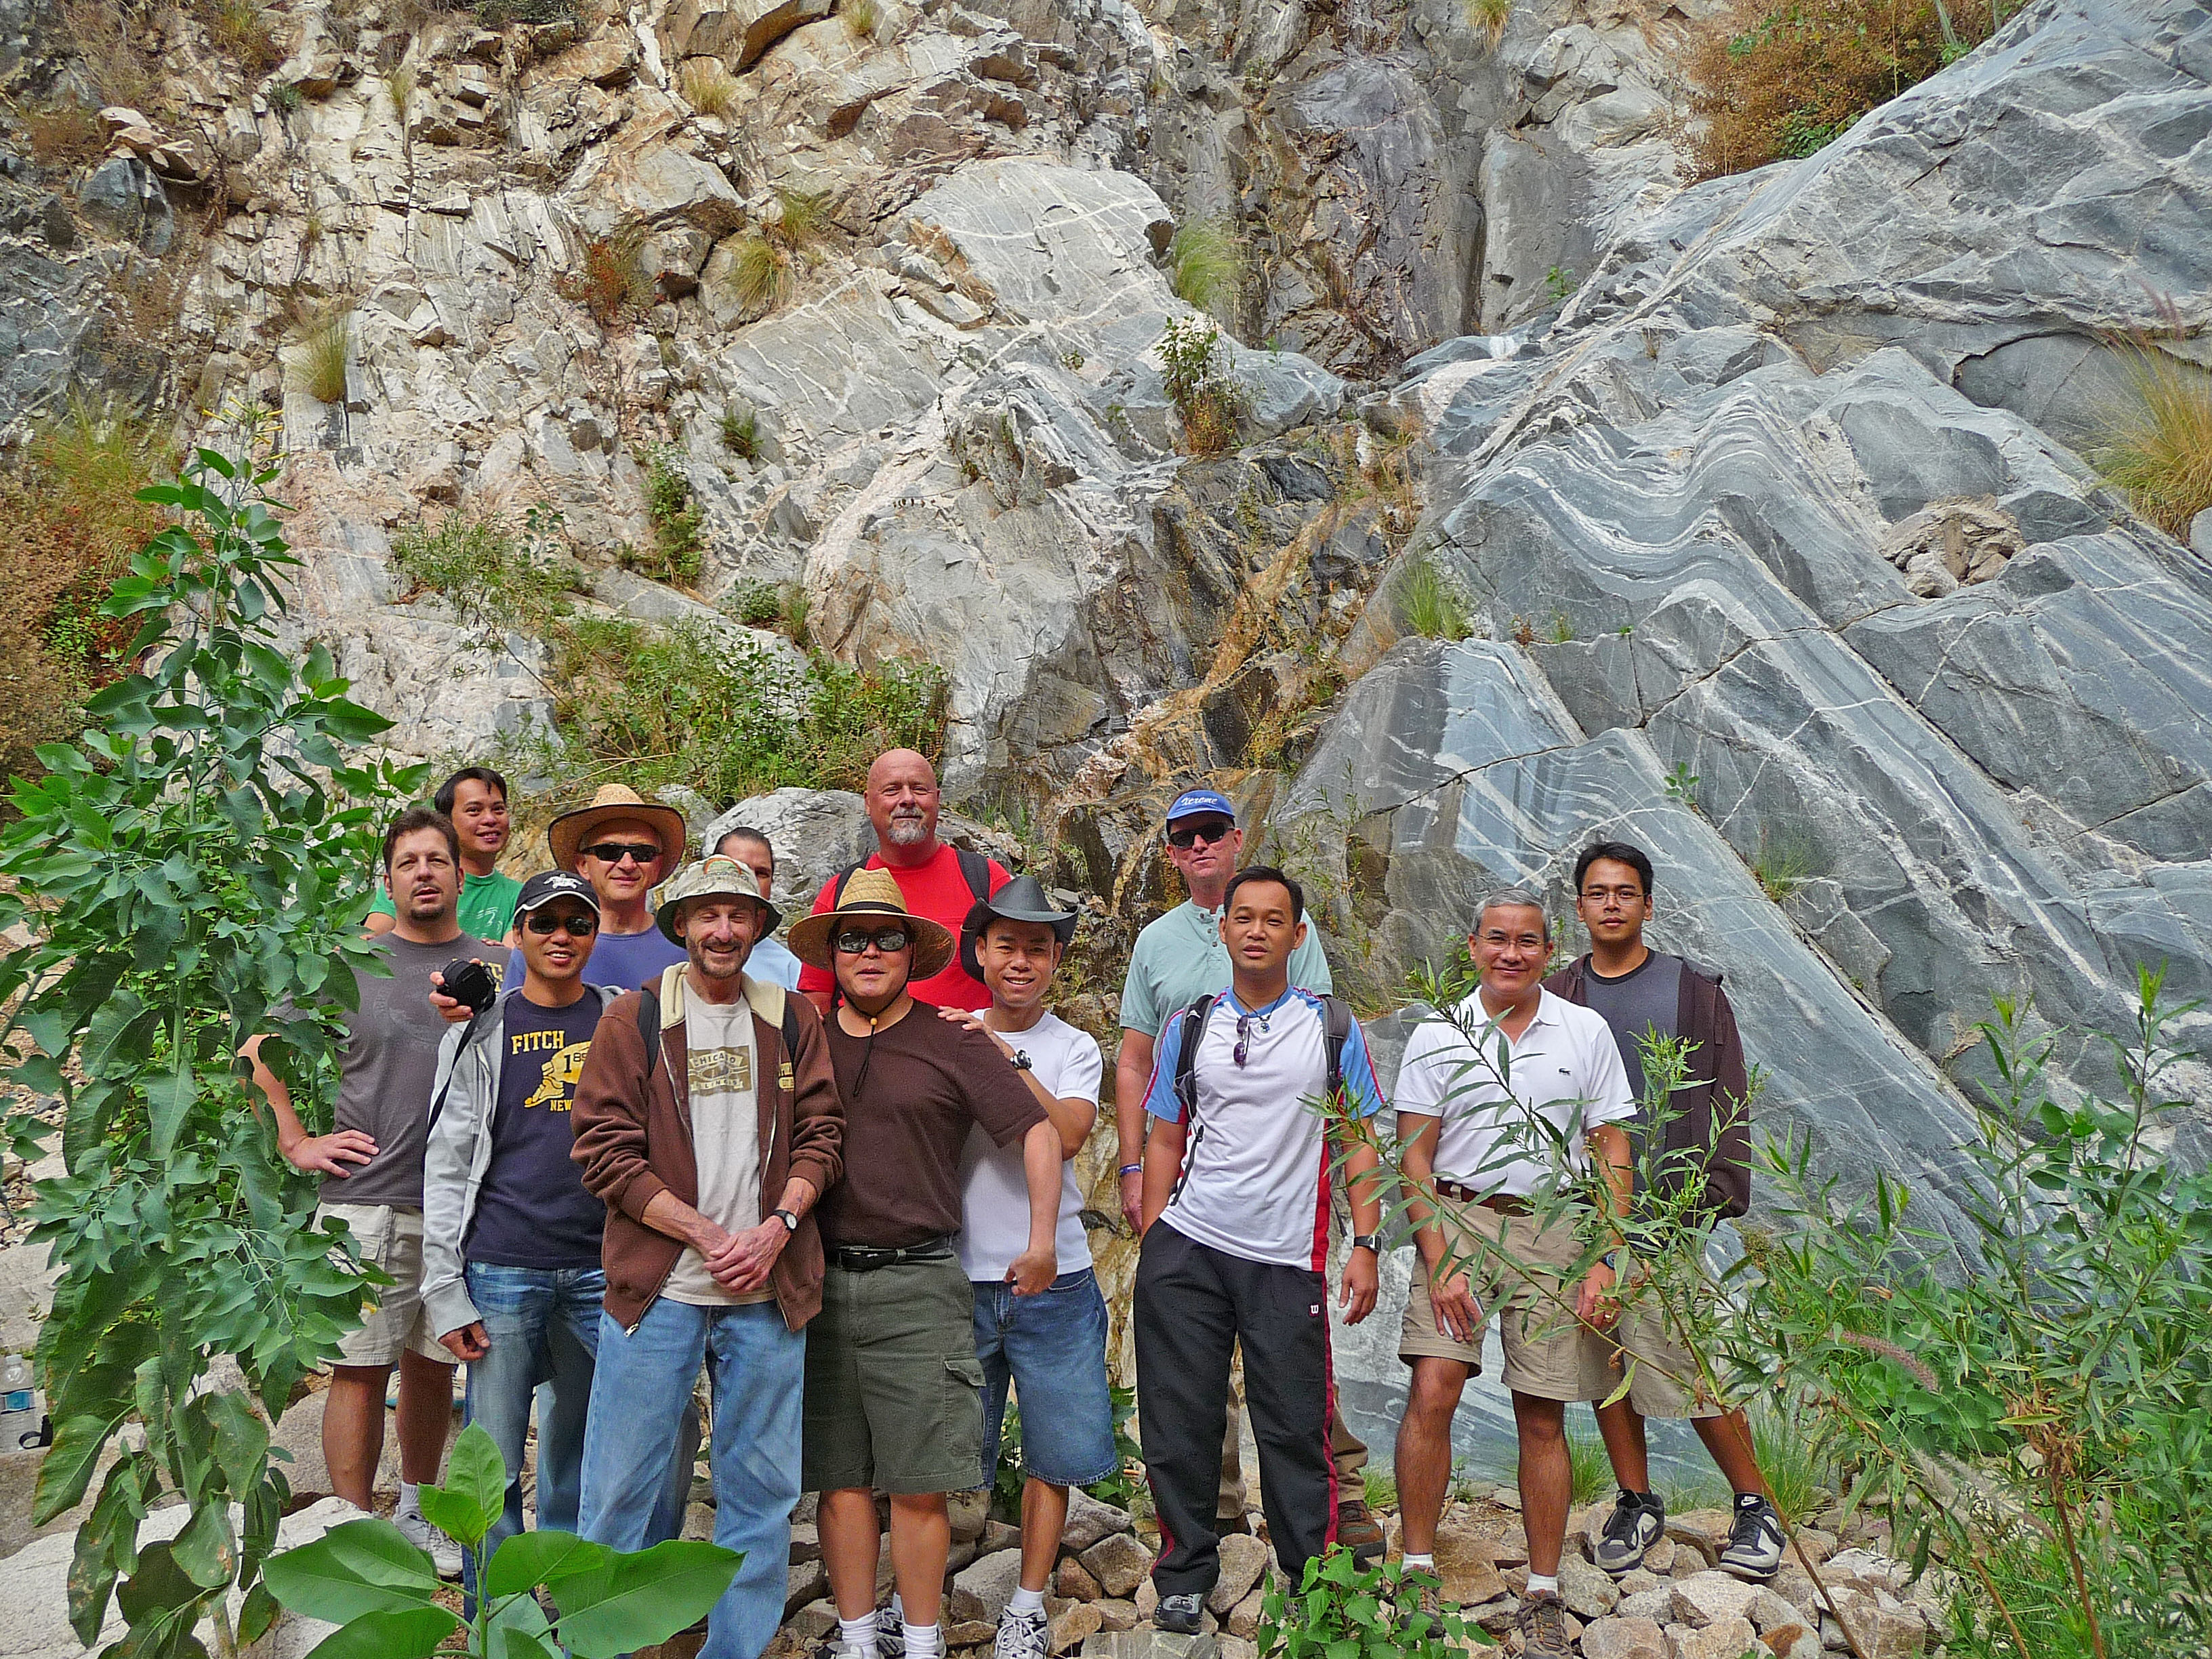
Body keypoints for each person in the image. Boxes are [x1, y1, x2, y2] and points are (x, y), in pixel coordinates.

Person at [571, 856, 846, 1659]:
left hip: (768, 1289)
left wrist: (776, 1229)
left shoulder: (791, 1015)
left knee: (761, 1491)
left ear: (758, 924)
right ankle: (600, 1643)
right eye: (707, 915)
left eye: (739, 915)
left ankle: (737, 1646)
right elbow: (603, 1150)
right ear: (681, 925)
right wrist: (705, 1233)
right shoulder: (638, 1017)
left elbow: (824, 1135)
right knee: (619, 1486)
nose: (723, 931)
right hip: (659, 1289)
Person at [789, 869, 1063, 1659]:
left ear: (912, 950)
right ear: (833, 954)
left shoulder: (953, 1038)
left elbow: (1037, 1130)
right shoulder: (803, 1035)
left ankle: (919, 1641)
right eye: (852, 939)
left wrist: (1041, 1239)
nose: (869, 951)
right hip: (818, 1279)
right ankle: (854, 1636)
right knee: (839, 1477)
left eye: (886, 937)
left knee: (917, 1479)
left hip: (919, 1279)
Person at [1111, 790, 1378, 1561]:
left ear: (1296, 934)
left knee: (1293, 1419)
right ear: (1220, 929)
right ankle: (1188, 1567)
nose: (1255, 930)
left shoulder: (1328, 1026)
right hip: (1191, 1238)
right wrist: (1157, 1226)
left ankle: (1310, 1577)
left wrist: (1368, 1240)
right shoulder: (1184, 1012)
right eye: (1242, 919)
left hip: (1287, 1249)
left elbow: (1354, 1129)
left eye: (1272, 920)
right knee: (1180, 1413)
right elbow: (1162, 1122)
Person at [242, 807, 493, 1577]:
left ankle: (417, 1511)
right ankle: (352, 1529)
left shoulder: (492, 965)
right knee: (357, 1367)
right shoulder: (355, 964)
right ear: (387, 880)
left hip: (464, 1208)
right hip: (367, 1202)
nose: (424, 872)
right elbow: (257, 1049)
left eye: (436, 859)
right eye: (408, 861)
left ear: (459, 872)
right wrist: (295, 1139)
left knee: (432, 1365)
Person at [1391, 889, 1635, 1659]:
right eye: (1497, 939)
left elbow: (1610, 1148)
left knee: (1543, 1408)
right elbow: (1414, 1156)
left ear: (1547, 950)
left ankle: (1542, 1590)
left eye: (1527, 942)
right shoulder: (1441, 1032)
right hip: (1459, 1219)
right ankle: (1417, 1571)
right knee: (1435, 1384)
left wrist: (1608, 1254)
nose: (1511, 954)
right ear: (1472, 946)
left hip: (1556, 1226)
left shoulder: (1584, 1029)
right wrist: (1439, 1258)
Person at [1547, 840, 1778, 1579]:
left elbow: (1728, 1100)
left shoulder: (1694, 991)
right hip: (1583, 1212)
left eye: (1624, 892)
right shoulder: (1557, 995)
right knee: (1604, 1351)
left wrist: (1705, 1200)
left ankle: (1754, 1505)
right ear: (1578, 906)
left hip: (1667, 1212)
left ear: (1649, 904)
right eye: (1596, 892)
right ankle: (1637, 1499)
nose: (1610, 904)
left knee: (1688, 1354)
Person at [420, 871, 619, 1608]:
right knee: (493, 1457)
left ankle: (571, 1609)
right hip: (503, 1264)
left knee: (578, 1448)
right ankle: (495, 1617)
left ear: (596, 935)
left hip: (602, 1267)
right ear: (520, 934)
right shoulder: (480, 1029)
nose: (561, 937)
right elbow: (445, 1160)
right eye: (545, 923)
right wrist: (444, 1291)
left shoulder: (624, 1017)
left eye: (577, 923)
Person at [941, 878, 1113, 1659]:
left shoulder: (1074, 1046)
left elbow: (1069, 1134)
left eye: (1037, 948)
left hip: (1058, 1279)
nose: (1020, 961)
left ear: (1055, 962)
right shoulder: (945, 1030)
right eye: (1006, 944)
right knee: (938, 1451)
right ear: (979, 952)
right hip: (958, 1276)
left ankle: (1028, 1602)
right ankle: (920, 1593)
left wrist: (1003, 1055)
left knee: (1055, 1451)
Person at [795, 749, 1009, 1014]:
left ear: (938, 799)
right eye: (892, 790)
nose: (907, 799)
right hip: (866, 1050)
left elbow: (1019, 982)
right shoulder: (841, 892)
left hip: (965, 1049)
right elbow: (816, 1003)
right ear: (868, 803)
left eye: (919, 789)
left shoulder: (986, 880)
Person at [369, 766, 520, 943]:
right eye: (474, 810)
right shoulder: (410, 883)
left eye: (498, 809)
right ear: (447, 822)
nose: (490, 819)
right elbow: (369, 940)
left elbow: (511, 955)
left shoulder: (520, 895)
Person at [713, 825, 804, 992]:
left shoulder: (789, 967)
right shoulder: (686, 949)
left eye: (761, 873)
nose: (751, 881)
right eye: (740, 869)